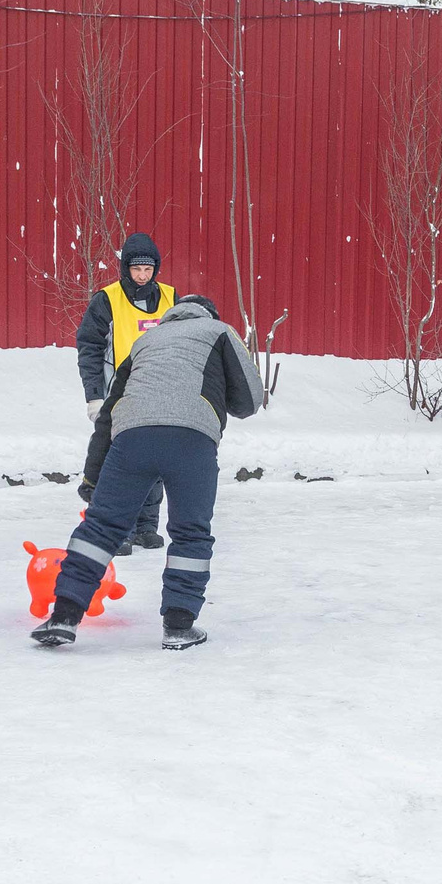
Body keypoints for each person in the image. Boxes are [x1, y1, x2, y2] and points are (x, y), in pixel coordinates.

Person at [34, 295, 262, 651]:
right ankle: (178, 626)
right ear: (210, 315)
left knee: (101, 527)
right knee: (190, 533)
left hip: (132, 439)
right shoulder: (220, 331)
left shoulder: (146, 341)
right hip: (192, 440)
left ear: (172, 316)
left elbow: (109, 411)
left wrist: (93, 478)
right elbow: (249, 400)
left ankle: (64, 617)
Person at [75, 232, 177, 552]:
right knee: (119, 465)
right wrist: (94, 396)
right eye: (136, 270)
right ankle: (120, 529)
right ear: (126, 269)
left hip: (160, 395)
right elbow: (90, 348)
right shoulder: (106, 300)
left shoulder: (172, 298)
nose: (142, 276)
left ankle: (146, 527)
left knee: (155, 464)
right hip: (119, 397)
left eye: (148, 270)